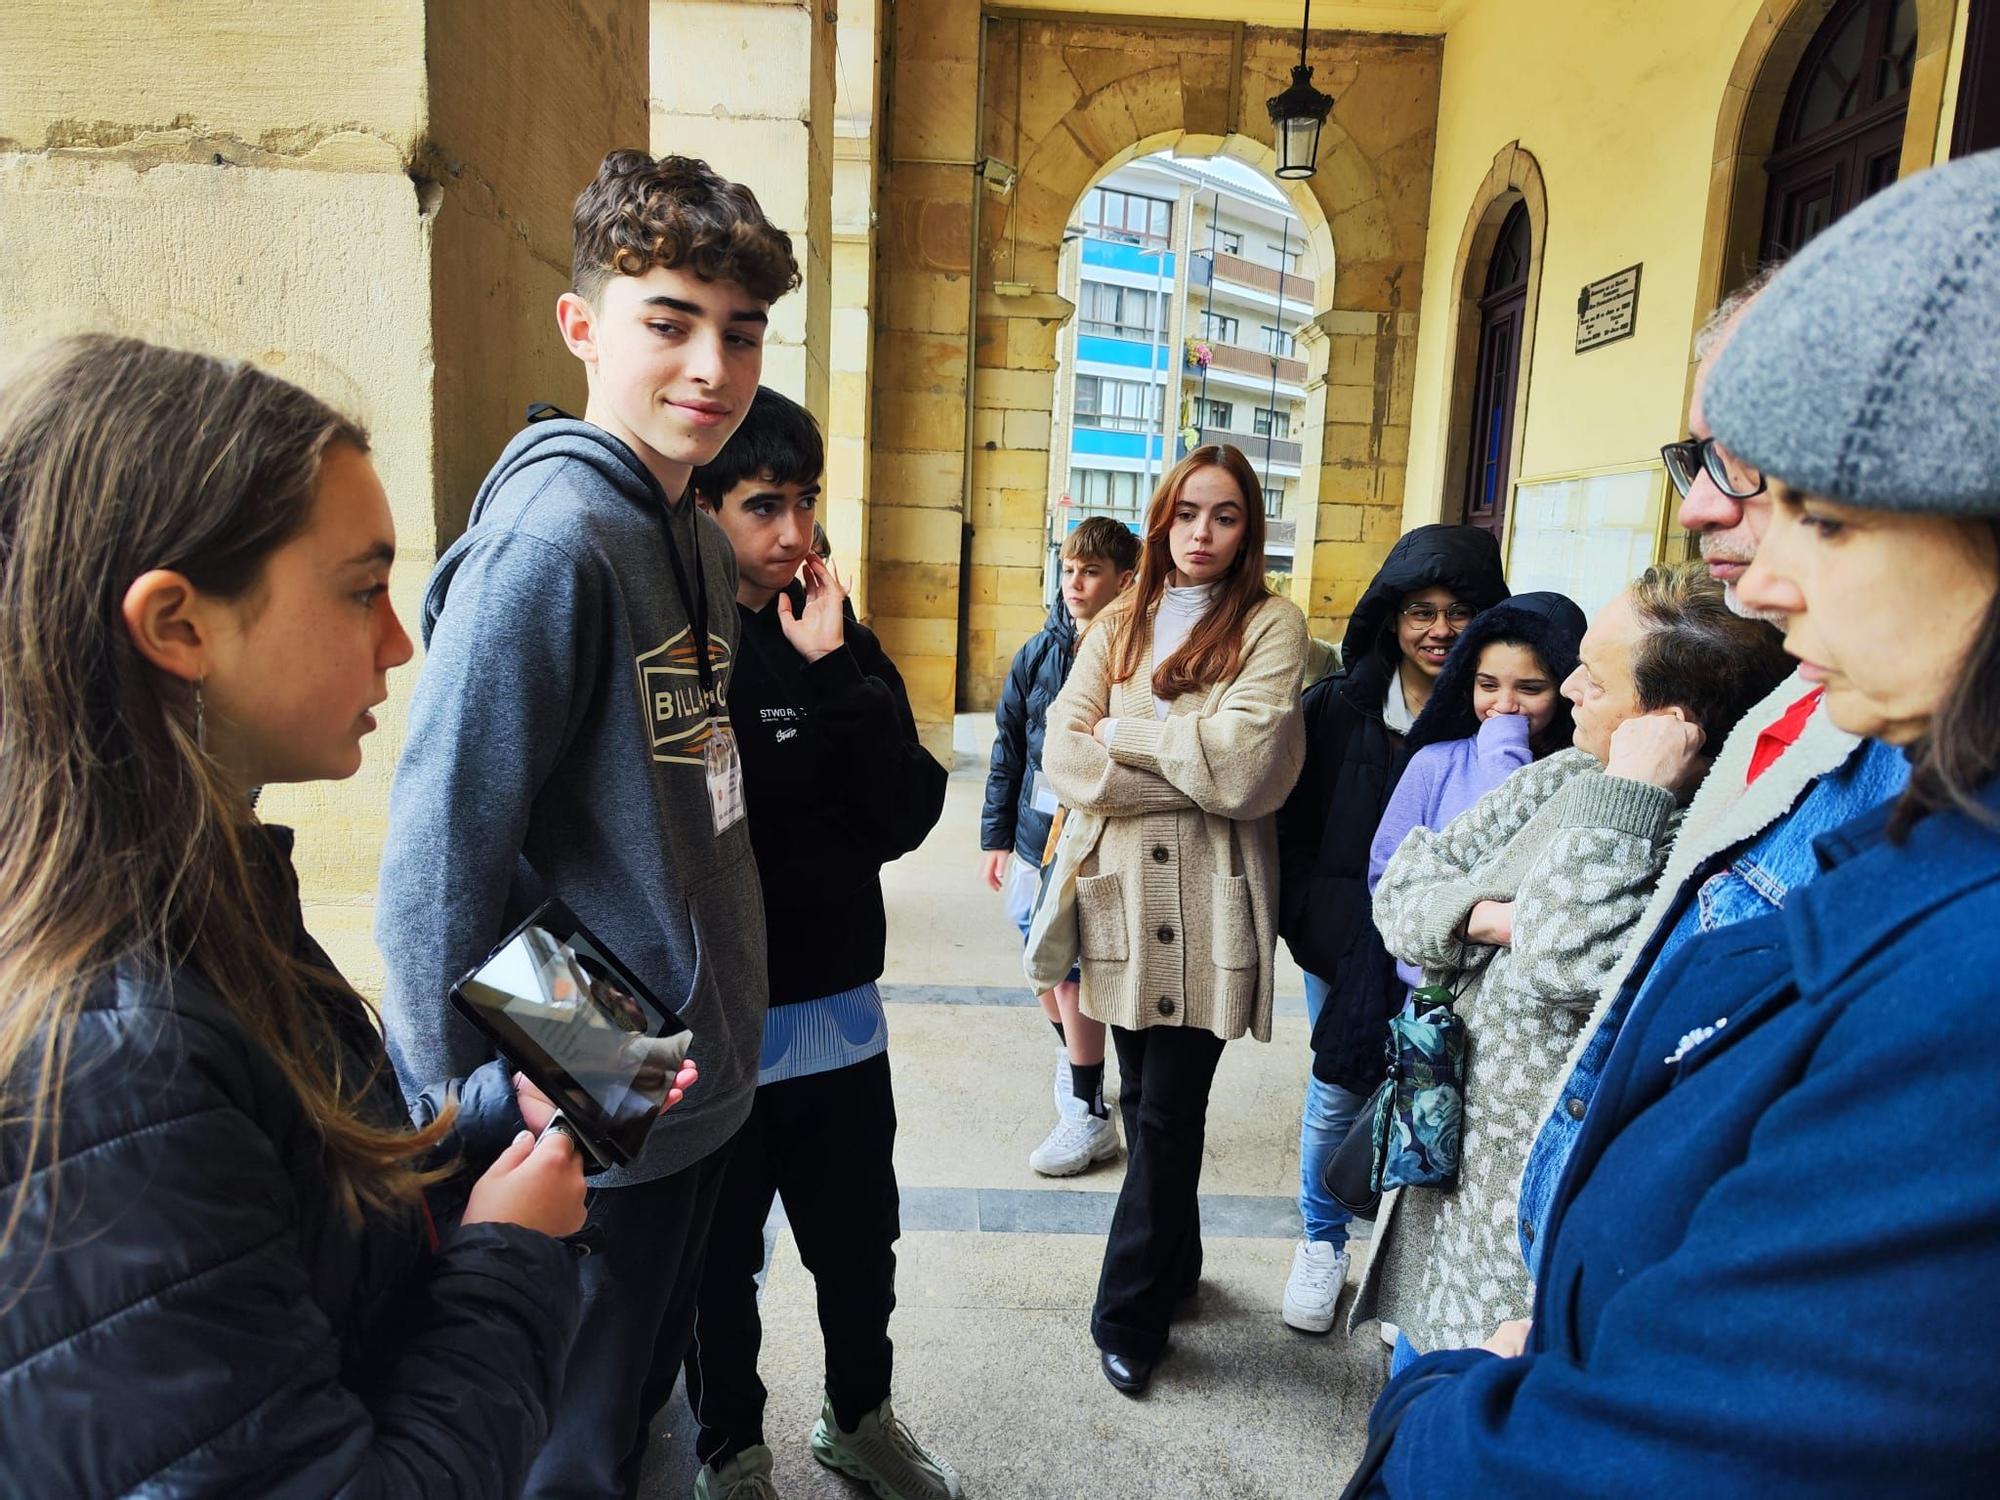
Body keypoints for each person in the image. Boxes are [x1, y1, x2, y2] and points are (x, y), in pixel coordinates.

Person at [1347, 146, 2000, 1499]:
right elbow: (1410, 890)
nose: (1760, 572)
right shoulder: (1829, 739)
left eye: (1811, 506)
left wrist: (1445, 1408)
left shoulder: (1960, 947)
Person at [0, 336, 679, 1494]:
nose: (401, 641)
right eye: (362, 589)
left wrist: (471, 1120)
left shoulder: (201, 887)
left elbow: (273, 1198)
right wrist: (510, 1258)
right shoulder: (112, 1051)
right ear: (179, 626)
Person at [375, 150, 798, 1498]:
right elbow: (439, 857)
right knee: (565, 1453)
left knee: (631, 1431)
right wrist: (494, 1121)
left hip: (689, 1095)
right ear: (584, 325)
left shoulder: (684, 523)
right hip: (597, 1115)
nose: (710, 369)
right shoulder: (553, 543)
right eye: (668, 322)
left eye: (738, 334)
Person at [1512, 276, 1911, 1275]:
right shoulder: (1797, 704)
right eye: (1696, 458)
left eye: (1742, 463)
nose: (1693, 508)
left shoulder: (1913, 779)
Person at [1354, 562, 1792, 1370]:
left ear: (1672, 720)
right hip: (1447, 1177)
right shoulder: (1563, 774)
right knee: (1407, 1392)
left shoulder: (1704, 838)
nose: (1572, 686)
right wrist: (1494, 919)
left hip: (1522, 1229)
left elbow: (1567, 961)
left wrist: (1628, 794)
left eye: (1597, 674)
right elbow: (1402, 893)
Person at [683, 388, 957, 1500]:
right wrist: (826, 832)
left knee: (857, 1250)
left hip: (840, 1016)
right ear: (701, 508)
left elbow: (905, 812)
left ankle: (858, 1420)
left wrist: (836, 674)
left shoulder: (832, 635)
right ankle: (728, 1451)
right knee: (717, 1266)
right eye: (762, 506)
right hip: (723, 1023)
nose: (792, 533)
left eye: (803, 503)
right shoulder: (683, 645)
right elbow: (721, 838)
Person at [1042, 444, 1308, 1396]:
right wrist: (1175, 764)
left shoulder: (1275, 625)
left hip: (1210, 901)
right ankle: (1180, 1268)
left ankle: (1127, 1315)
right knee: (1147, 1091)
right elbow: (1062, 755)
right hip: (1122, 895)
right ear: (1163, 518)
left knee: (1167, 1108)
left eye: (1225, 515)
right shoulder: (1119, 618)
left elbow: (1245, 767)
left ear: (1249, 528)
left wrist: (1131, 734)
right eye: (1187, 512)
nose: (1202, 533)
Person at [1272, 525, 1508, 1334]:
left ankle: (1404, 1259)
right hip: (1344, 941)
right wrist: (1312, 921)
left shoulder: (1500, 715)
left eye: (1460, 612)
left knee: (1433, 1096)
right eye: (1421, 611)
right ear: (1391, 617)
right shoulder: (1336, 707)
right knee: (1338, 1092)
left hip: (1455, 952)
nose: (1440, 630)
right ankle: (1321, 1241)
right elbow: (1290, 830)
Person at [981, 515, 1139, 1176]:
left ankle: (1087, 1107)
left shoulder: (1135, 657)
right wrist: (995, 837)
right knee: (1038, 960)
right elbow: (1009, 749)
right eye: (1069, 569)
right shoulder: (1038, 651)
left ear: (1125, 579)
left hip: (1088, 839)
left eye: (1092, 570)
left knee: (1069, 968)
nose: (1076, 582)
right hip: (1030, 838)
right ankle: (1074, 1052)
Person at [1366, 590, 1588, 998]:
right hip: (1435, 993)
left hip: (1525, 1000)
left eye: (1530, 688)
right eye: (1487, 685)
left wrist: (1505, 751)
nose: (1504, 705)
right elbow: (1386, 873)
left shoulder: (1581, 773)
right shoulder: (1434, 763)